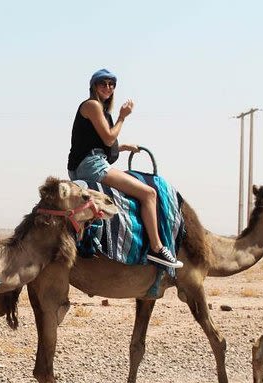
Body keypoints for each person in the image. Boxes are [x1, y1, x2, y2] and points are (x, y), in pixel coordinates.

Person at [67, 68, 183, 268]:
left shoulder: (98, 110)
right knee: (149, 194)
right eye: (103, 83)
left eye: (112, 84)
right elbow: (108, 137)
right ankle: (157, 248)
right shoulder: (92, 105)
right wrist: (122, 116)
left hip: (87, 163)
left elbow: (96, 143)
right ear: (94, 86)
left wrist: (123, 147)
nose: (108, 87)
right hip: (92, 166)